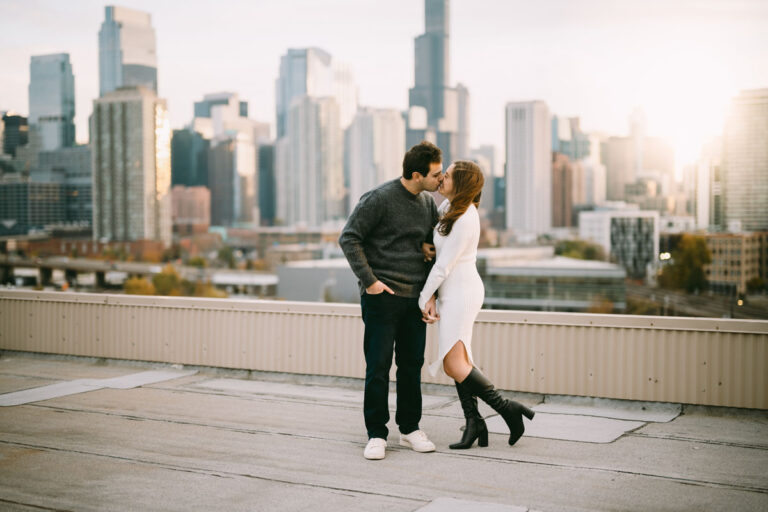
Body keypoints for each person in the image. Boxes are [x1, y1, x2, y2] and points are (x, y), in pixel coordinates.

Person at [418, 160, 535, 450]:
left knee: (453, 364)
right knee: (460, 362)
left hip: (461, 294)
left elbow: (444, 266)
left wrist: (424, 298)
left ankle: (508, 408)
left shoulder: (465, 217)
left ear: (463, 183)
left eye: (450, 174)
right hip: (451, 292)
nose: (443, 176)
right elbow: (436, 251)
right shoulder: (449, 209)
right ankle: (474, 423)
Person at [339, 141, 443, 460]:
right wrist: (370, 283)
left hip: (414, 300)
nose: (441, 179)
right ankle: (376, 435)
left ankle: (410, 429)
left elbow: (428, 245)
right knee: (379, 367)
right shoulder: (379, 198)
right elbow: (349, 238)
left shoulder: (427, 203)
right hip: (382, 298)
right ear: (416, 174)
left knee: (411, 366)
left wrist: (430, 290)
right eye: (436, 174)